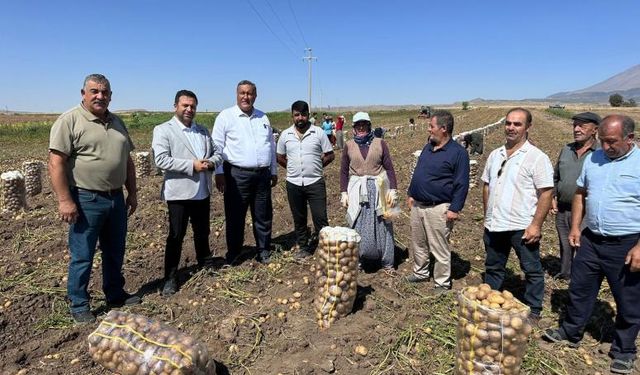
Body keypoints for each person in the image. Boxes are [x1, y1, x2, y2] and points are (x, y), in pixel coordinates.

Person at [543, 115, 640, 374]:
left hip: (627, 243)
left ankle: (624, 350)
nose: (606, 146)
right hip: (592, 238)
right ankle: (571, 332)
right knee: (580, 288)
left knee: (628, 299)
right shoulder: (594, 160)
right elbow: (580, 193)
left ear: (630, 138)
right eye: (604, 141)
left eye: (612, 142)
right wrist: (576, 227)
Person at [48, 74, 140, 323]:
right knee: (83, 254)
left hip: (115, 199)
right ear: (83, 93)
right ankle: (79, 303)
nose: (100, 96)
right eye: (94, 91)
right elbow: (56, 163)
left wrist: (132, 192)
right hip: (86, 198)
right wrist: (65, 200)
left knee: (115, 250)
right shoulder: (70, 120)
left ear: (111, 95)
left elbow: (127, 161)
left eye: (105, 92)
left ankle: (114, 294)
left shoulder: (117, 121)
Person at [481, 107, 554, 321]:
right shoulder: (496, 155)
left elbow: (546, 192)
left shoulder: (536, 158)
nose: (511, 127)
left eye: (517, 124)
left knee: (531, 268)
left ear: (528, 127)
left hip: (522, 225)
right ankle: (490, 303)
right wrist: (488, 215)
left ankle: (534, 308)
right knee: (493, 266)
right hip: (495, 224)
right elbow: (486, 186)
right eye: (508, 123)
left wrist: (536, 225)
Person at [152, 90, 223, 296]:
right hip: (179, 194)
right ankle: (170, 277)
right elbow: (161, 160)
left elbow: (218, 153)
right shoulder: (163, 130)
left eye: (192, 106)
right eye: (185, 105)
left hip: (202, 191)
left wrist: (211, 162)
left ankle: (205, 263)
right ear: (176, 106)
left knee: (203, 231)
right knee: (176, 235)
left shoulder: (202, 131)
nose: (189, 110)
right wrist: (192, 165)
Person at [212, 80, 277, 265]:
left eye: (249, 93)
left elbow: (270, 147)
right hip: (236, 175)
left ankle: (263, 250)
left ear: (255, 96)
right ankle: (234, 253)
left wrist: (273, 170)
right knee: (235, 216)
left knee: (263, 214)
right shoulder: (226, 116)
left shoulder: (263, 118)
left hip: (262, 175)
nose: (246, 97)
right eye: (242, 93)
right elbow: (217, 146)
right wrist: (218, 172)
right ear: (236, 94)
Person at [406, 110, 470, 292]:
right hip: (418, 205)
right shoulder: (428, 147)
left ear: (443, 129)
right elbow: (419, 172)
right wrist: (411, 193)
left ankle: (442, 282)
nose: (428, 130)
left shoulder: (458, 153)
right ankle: (420, 273)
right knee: (418, 242)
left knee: (439, 246)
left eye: (431, 126)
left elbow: (462, 184)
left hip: (439, 207)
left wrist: (454, 209)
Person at [340, 112, 398, 275]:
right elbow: (344, 172)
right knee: (357, 223)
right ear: (353, 128)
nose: (361, 127)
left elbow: (390, 168)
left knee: (384, 223)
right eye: (358, 125)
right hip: (358, 190)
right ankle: (358, 260)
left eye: (364, 124)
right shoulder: (349, 145)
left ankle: (387, 262)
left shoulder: (380, 143)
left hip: (379, 187)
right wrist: (343, 192)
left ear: (369, 126)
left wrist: (393, 189)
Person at [276, 100, 335, 259]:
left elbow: (330, 154)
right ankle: (304, 247)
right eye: (297, 115)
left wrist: (317, 165)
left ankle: (326, 248)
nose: (300, 118)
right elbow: (279, 156)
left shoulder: (318, 132)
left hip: (315, 182)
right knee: (299, 218)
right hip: (294, 183)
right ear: (292, 116)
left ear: (308, 115)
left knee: (320, 217)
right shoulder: (285, 135)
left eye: (303, 114)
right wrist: (291, 167)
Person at [550, 112, 600, 281]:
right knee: (565, 243)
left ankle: (580, 278)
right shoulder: (566, 149)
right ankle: (565, 274)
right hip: (563, 208)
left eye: (582, 126)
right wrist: (553, 196)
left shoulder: (601, 153)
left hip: (587, 210)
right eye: (575, 126)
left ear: (595, 130)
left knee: (581, 244)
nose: (577, 129)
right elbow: (556, 176)